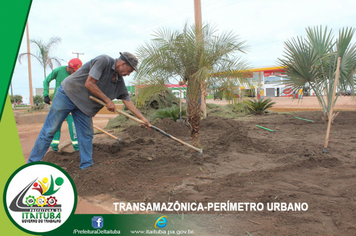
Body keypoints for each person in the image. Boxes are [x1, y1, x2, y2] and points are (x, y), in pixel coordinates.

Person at [28, 52, 151, 169]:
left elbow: (127, 100)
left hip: (84, 107)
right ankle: (32, 164)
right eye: (129, 71)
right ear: (123, 64)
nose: (128, 74)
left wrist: (142, 118)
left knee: (86, 135)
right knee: (50, 130)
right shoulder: (104, 61)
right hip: (68, 95)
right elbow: (89, 83)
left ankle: (86, 167)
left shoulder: (119, 81)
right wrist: (108, 100)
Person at [43, 58, 83, 151]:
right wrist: (46, 95)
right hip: (58, 102)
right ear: (69, 67)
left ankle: (77, 148)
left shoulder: (77, 74)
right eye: (74, 70)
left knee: (72, 124)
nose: (75, 73)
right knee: (56, 125)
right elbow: (46, 81)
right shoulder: (58, 71)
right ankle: (54, 147)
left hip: (71, 103)